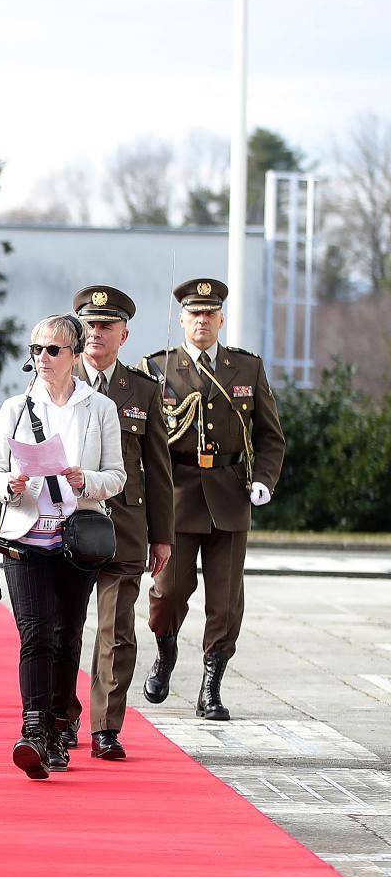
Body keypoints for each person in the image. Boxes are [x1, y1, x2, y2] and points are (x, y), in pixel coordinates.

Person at [0, 313, 125, 780]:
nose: (42, 358)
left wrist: (88, 480)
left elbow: (117, 478)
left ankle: (62, 724)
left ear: (76, 354)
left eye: (53, 350)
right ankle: (34, 731)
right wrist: (9, 485)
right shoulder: (15, 409)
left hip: (77, 536)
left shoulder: (99, 408)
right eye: (36, 349)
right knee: (35, 634)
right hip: (25, 537)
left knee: (66, 635)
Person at [141, 278, 286, 720]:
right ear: (182, 319)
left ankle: (211, 685)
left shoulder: (246, 369)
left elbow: (270, 436)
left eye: (210, 314)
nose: (202, 321)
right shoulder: (156, 368)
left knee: (224, 601)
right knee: (168, 591)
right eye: (194, 314)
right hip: (178, 493)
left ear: (221, 319)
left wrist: (263, 478)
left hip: (228, 493)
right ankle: (165, 653)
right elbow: (143, 439)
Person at [62, 285, 173, 760]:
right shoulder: (58, 382)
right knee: (63, 627)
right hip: (65, 520)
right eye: (88, 325)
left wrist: (162, 536)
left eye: (106, 326)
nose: (95, 333)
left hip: (123, 526)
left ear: (124, 335)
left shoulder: (143, 391)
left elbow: (160, 469)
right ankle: (61, 720)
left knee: (117, 631)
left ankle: (105, 727)